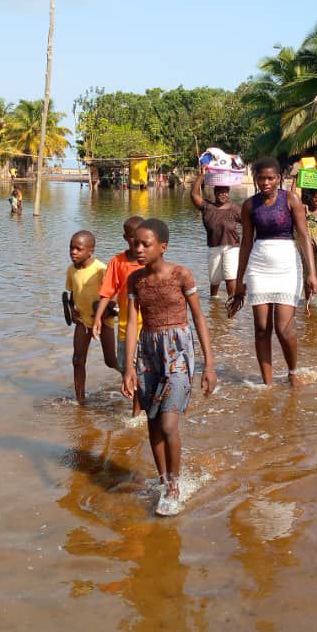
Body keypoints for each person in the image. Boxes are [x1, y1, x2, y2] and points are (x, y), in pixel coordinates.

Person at [122, 218, 216, 516]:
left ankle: (174, 486)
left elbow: (199, 318)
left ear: (162, 247)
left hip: (178, 352)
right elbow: (133, 324)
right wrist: (128, 368)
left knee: (168, 424)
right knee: (152, 421)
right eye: (135, 243)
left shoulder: (181, 275)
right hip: (148, 353)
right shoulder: (135, 280)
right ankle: (163, 481)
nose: (138, 249)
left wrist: (209, 365)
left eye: (145, 244)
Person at [228, 157, 317, 385]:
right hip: (259, 268)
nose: (265, 182)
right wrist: (239, 280)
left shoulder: (291, 200)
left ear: (279, 178)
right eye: (261, 178)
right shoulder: (250, 205)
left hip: (287, 266)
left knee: (283, 328)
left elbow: (304, 236)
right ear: (256, 179)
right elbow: (246, 243)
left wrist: (312, 273)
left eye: (270, 178)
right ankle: (267, 383)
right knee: (261, 328)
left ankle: (292, 372)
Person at [92, 216, 145, 402]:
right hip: (125, 327)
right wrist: (98, 318)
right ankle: (138, 411)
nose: (137, 242)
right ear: (125, 237)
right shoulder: (117, 262)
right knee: (126, 369)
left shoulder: (150, 261)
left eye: (141, 237)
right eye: (132, 237)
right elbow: (107, 292)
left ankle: (137, 414)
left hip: (149, 328)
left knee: (144, 372)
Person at [65, 231, 118, 404]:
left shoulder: (101, 270)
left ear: (90, 250)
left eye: (78, 249)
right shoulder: (71, 270)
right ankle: (80, 399)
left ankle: (133, 380)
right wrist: (71, 309)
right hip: (83, 321)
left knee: (110, 361)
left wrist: (104, 314)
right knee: (77, 360)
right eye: (71, 248)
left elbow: (112, 298)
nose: (74, 252)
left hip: (103, 320)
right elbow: (73, 293)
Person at [190, 168, 242, 297]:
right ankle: (214, 301)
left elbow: (249, 223)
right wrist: (202, 174)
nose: (223, 195)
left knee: (230, 276)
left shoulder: (235, 209)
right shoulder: (208, 207)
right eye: (220, 192)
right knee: (214, 279)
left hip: (232, 247)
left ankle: (232, 300)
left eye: (226, 192)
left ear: (229, 193)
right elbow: (194, 195)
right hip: (214, 247)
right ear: (215, 193)